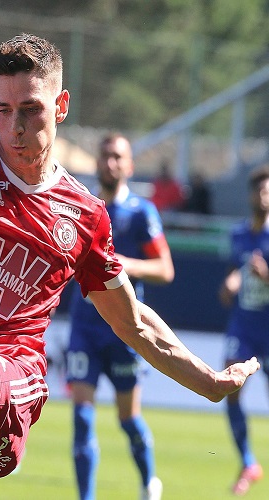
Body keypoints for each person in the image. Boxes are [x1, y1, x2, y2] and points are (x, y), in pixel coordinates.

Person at [0, 33, 260, 499]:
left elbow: (133, 322)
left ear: (61, 106)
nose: (15, 127)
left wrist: (208, 382)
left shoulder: (85, 216)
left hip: (9, 388)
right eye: (3, 109)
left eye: (30, 109)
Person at [66, 133, 174, 500]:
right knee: (82, 416)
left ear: (129, 165)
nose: (110, 163)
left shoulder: (141, 212)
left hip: (125, 329)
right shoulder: (83, 205)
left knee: (128, 419)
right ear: (97, 162)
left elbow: (165, 269)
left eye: (117, 157)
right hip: (84, 326)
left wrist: (126, 265)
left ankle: (148, 483)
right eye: (105, 156)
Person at [218, 165, 269, 496]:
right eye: (259, 191)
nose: (263, 197)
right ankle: (248, 462)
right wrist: (229, 286)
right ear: (251, 195)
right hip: (243, 329)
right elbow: (228, 285)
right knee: (230, 390)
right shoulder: (238, 235)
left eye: (268, 192)